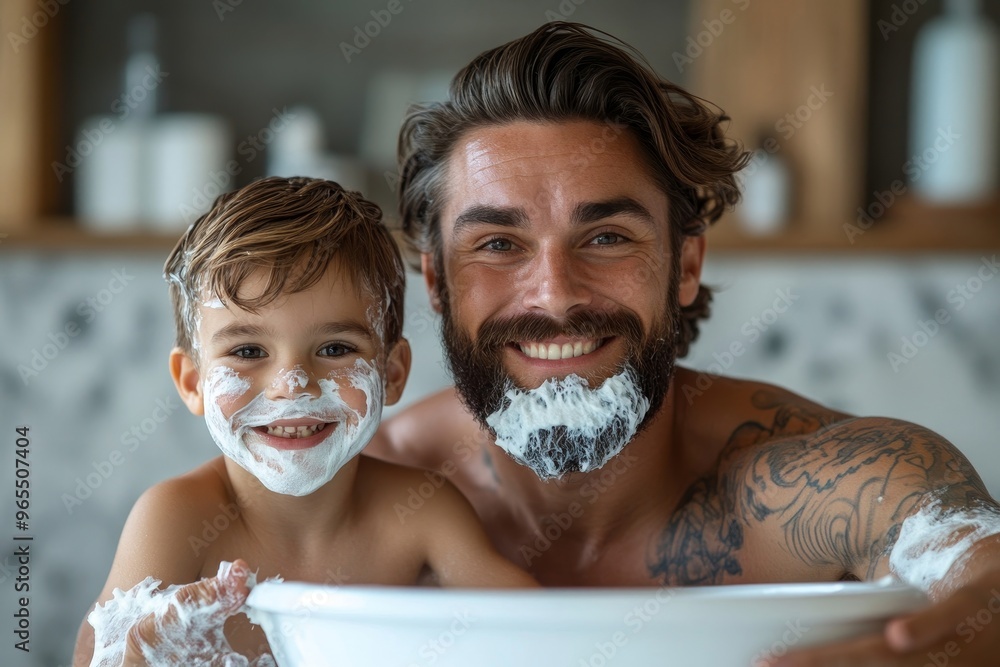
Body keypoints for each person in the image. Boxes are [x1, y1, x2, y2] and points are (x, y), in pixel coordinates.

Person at [369, 21, 1000, 666]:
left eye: (608, 237)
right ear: (438, 281)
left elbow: (984, 575)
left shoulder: (814, 483)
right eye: (498, 245)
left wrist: (950, 645)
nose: (555, 297)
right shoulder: (354, 494)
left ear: (686, 265)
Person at [72, 177, 537, 666]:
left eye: (335, 349)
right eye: (248, 351)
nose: (292, 384)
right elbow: (102, 657)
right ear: (192, 382)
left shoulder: (420, 512)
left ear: (393, 372)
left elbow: (549, 637)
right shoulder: (175, 519)